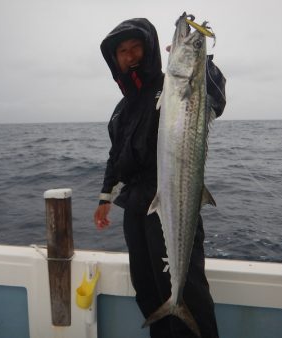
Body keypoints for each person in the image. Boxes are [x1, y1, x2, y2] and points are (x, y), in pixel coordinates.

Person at [94, 17, 226, 338]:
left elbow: (212, 98)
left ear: (150, 48)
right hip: (135, 209)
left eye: (135, 47)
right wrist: (104, 198)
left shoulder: (171, 86)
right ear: (115, 60)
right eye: (122, 51)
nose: (129, 55)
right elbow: (116, 157)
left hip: (174, 196)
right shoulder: (121, 110)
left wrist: (200, 61)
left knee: (187, 295)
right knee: (148, 293)